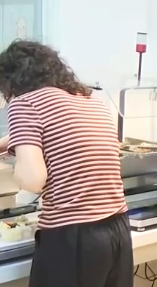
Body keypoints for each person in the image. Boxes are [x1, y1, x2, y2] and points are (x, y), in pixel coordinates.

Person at [0, 40, 132, 287]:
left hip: (74, 237)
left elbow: (32, 181)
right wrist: (12, 144)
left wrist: (18, 164)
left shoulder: (25, 104)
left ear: (11, 81)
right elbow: (51, 133)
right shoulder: (89, 100)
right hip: (117, 230)